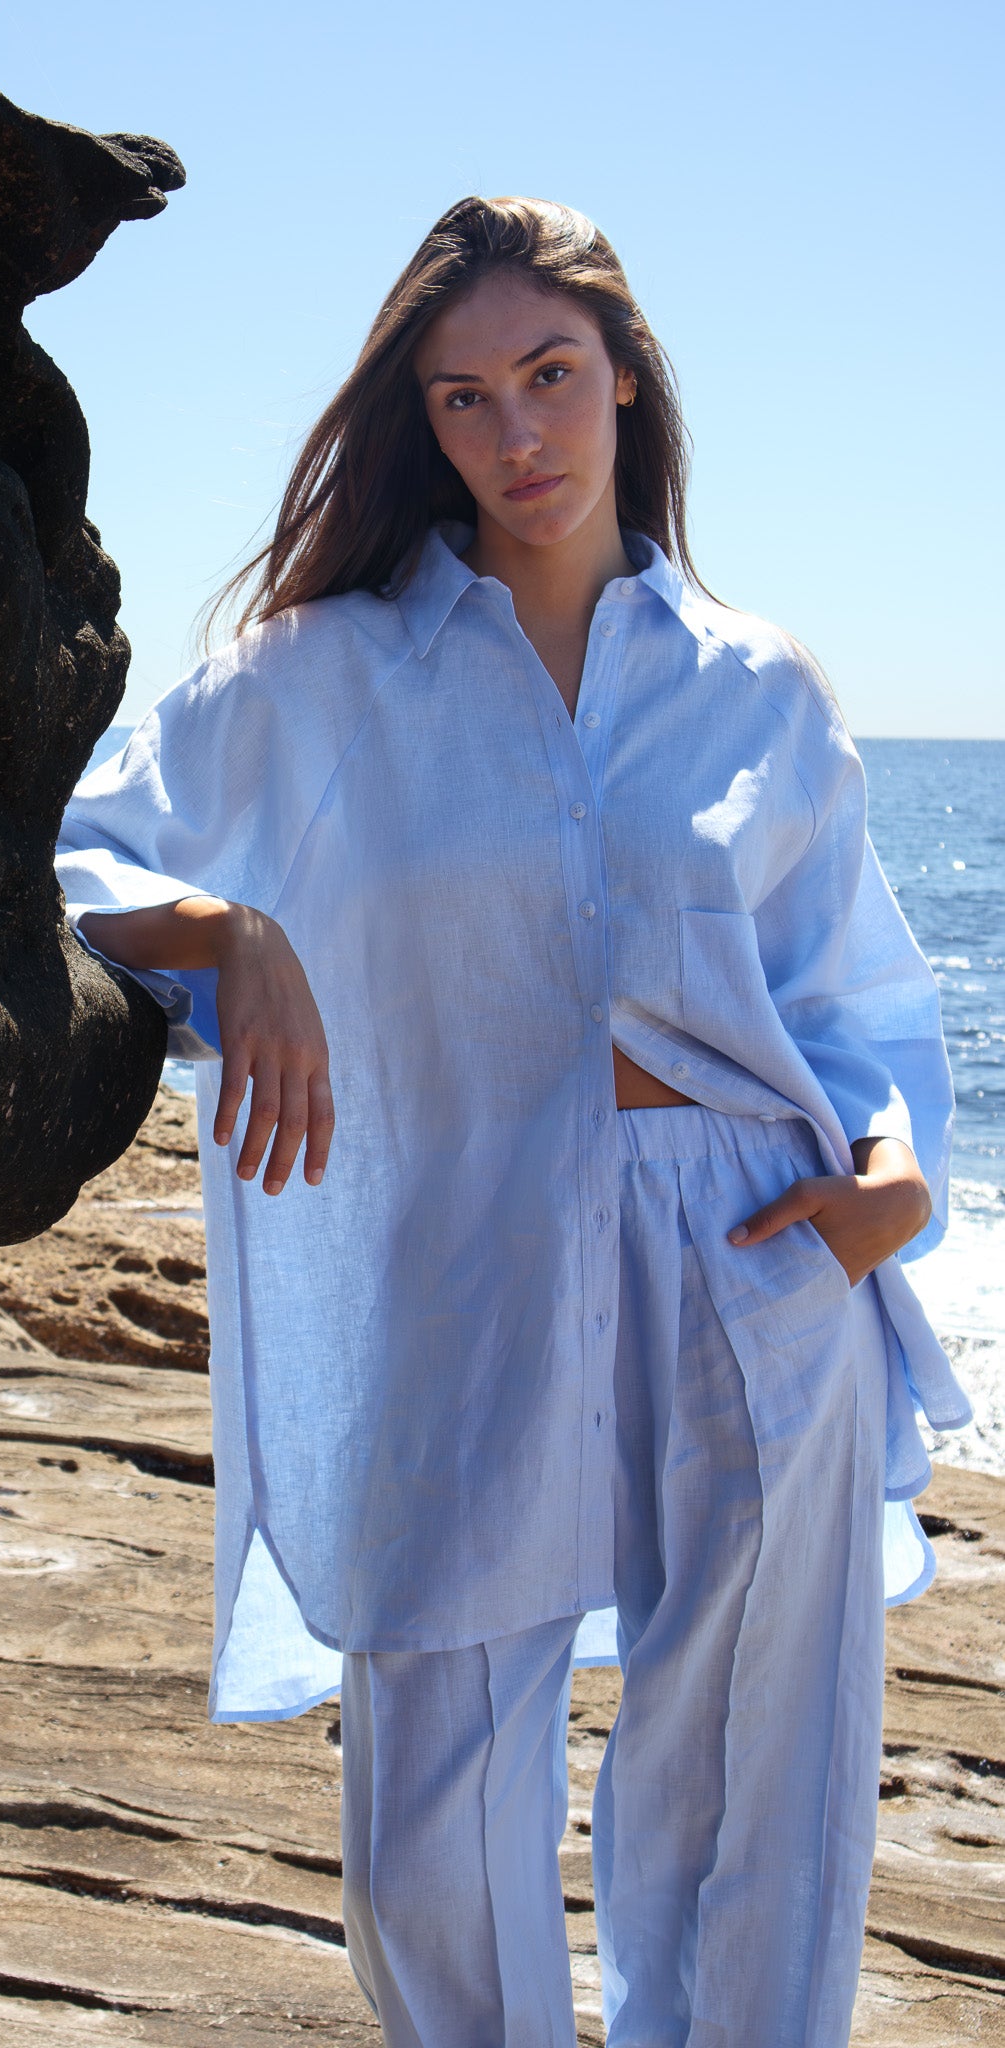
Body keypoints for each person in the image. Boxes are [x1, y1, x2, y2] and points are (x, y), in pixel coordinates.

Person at [54, 196, 968, 2048]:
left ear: (625, 376)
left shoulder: (754, 687)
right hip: (459, 1242)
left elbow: (852, 995)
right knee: (435, 1776)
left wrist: (890, 1179)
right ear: (423, 423)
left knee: (753, 1771)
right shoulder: (320, 676)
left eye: (551, 377)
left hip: (754, 1249)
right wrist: (237, 937)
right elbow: (68, 857)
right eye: (465, 399)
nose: (517, 435)